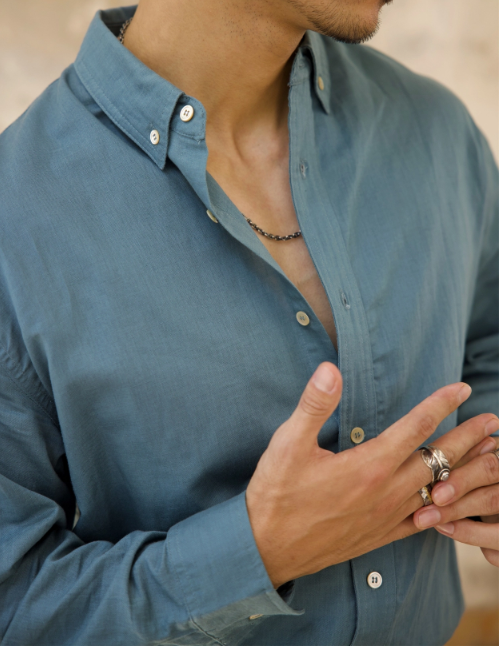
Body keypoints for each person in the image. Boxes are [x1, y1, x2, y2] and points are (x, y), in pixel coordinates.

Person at [0, 0, 497, 645]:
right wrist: (257, 553)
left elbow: (487, 344)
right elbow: (15, 605)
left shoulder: (438, 133)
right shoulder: (17, 221)